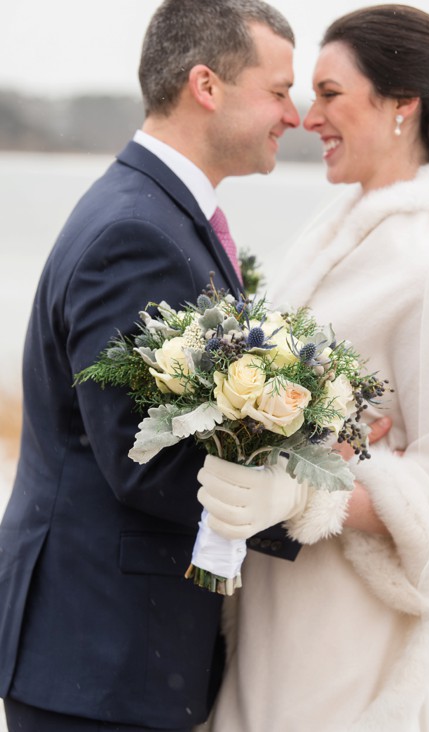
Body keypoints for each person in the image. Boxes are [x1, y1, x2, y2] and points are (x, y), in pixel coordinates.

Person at [0, 2, 304, 729]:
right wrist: (313, 499)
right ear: (207, 85)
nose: (291, 114)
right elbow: (146, 461)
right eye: (278, 89)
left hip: (109, 655)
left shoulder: (159, 214)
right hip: (98, 659)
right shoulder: (137, 233)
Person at [195, 5, 429, 730]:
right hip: (270, 603)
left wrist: (302, 497)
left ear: (401, 104)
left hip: (347, 628)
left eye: (329, 93)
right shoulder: (336, 232)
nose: (306, 115)